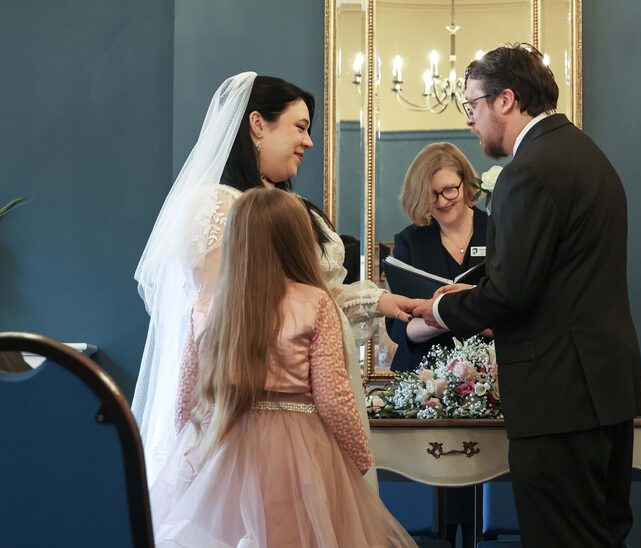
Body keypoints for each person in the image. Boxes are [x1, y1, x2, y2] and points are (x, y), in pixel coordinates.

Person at [413, 43, 641, 547]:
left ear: (505, 100)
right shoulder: (588, 156)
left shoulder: (528, 171)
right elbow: (551, 278)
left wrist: (439, 307)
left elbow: (510, 294)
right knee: (603, 536)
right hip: (605, 389)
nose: (470, 121)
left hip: (558, 394)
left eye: (472, 105)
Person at [133, 72, 416, 485]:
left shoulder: (289, 204)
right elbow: (226, 314)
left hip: (316, 392)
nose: (309, 142)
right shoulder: (219, 206)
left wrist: (381, 302)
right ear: (258, 125)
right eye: (300, 128)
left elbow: (314, 292)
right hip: (260, 410)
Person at [150, 188, 417, 547]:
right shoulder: (314, 303)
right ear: (295, 240)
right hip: (298, 451)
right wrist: (359, 457)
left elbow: (185, 401)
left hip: (226, 441)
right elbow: (333, 398)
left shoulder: (206, 308)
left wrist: (195, 454)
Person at [386, 142, 488, 373]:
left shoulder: (499, 232)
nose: (443, 201)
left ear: (466, 183)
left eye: (450, 189)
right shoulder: (409, 242)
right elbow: (401, 326)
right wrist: (460, 313)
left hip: (491, 371)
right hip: (424, 377)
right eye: (432, 195)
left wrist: (440, 312)